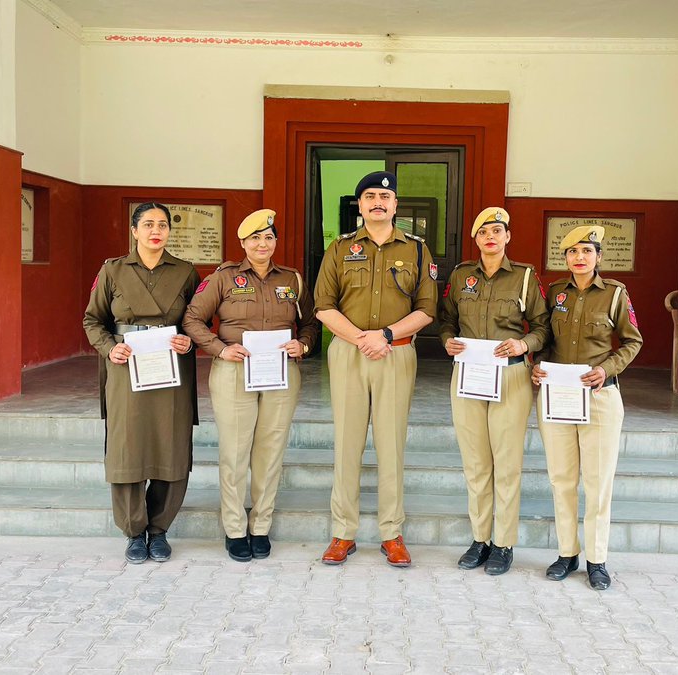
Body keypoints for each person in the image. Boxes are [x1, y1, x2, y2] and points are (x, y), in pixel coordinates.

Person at [313, 171, 439, 567]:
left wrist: (384, 334)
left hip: (395, 353)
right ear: (361, 205)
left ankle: (391, 532)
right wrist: (361, 338)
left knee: (391, 445)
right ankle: (342, 533)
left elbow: (427, 310)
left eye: (385, 196)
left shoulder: (418, 251)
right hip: (350, 354)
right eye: (370, 196)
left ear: (395, 205)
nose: (378, 202)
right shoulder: (340, 248)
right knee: (347, 444)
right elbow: (323, 306)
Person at [182, 208, 319, 563]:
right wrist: (220, 348)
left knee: (270, 452)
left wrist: (302, 345)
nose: (262, 244)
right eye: (255, 238)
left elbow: (311, 325)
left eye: (268, 237)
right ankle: (234, 528)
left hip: (280, 373)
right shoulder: (222, 279)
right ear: (243, 242)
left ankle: (260, 526)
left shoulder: (292, 279)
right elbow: (193, 319)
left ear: (275, 242)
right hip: (234, 371)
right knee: (235, 451)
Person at [83, 202, 200, 564]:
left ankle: (160, 528)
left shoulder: (185, 272)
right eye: (148, 224)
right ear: (134, 231)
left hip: (170, 369)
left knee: (171, 444)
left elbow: (196, 321)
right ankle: (134, 531)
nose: (156, 230)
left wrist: (189, 339)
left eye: (163, 224)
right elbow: (92, 320)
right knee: (127, 448)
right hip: (126, 365)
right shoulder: (113, 271)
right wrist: (109, 348)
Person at [438, 207, 549, 575]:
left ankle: (504, 542)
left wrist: (524, 345)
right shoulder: (461, 275)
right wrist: (447, 340)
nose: (491, 236)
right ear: (475, 238)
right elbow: (447, 319)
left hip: (511, 377)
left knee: (506, 463)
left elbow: (545, 327)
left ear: (507, 237)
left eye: (498, 230)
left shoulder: (524, 277)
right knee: (475, 463)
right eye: (484, 231)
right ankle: (480, 538)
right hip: (469, 374)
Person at [532, 225, 643, 590]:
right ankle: (567, 553)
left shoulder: (614, 294)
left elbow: (632, 341)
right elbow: (545, 336)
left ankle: (597, 560)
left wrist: (605, 369)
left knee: (597, 483)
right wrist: (539, 364)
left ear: (598, 257)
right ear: (565, 258)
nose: (579, 258)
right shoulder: (555, 294)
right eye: (572, 252)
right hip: (558, 396)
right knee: (562, 479)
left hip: (599, 397)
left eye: (586, 251)